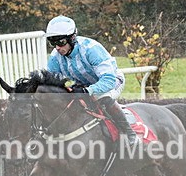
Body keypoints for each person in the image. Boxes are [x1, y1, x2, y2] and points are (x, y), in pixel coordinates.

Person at [44, 15, 140, 146]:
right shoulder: (55, 57)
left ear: (72, 38)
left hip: (111, 81)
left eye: (60, 42)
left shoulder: (91, 49)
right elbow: (51, 83)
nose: (57, 48)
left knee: (101, 97)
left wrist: (87, 90)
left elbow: (108, 80)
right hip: (83, 85)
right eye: (52, 43)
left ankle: (130, 134)